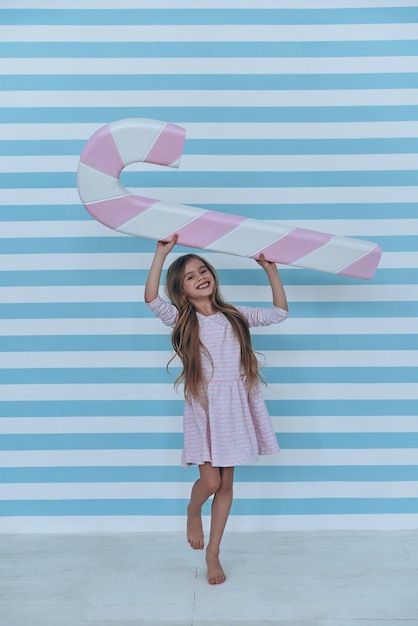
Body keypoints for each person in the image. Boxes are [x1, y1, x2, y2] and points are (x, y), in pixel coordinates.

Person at [144, 235, 289, 585]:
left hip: (235, 407)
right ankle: (193, 509)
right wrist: (161, 254)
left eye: (203, 270)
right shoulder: (183, 319)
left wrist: (271, 271)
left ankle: (213, 551)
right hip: (205, 405)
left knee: (226, 485)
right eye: (190, 277)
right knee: (209, 481)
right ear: (182, 292)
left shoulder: (234, 315)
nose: (200, 277)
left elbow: (279, 313)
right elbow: (151, 299)